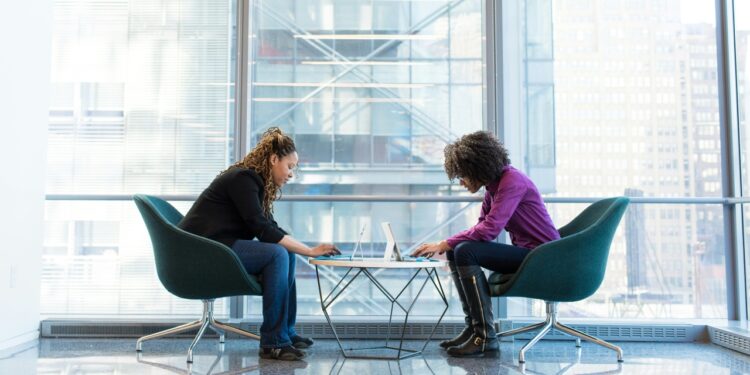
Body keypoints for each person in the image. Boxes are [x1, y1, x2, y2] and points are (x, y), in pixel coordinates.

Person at [179, 127, 340, 361]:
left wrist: (305, 249)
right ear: (274, 159)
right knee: (277, 254)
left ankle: (285, 333)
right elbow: (262, 230)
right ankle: (273, 342)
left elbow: (269, 227)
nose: (291, 174)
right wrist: (309, 251)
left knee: (284, 252)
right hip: (202, 251)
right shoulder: (243, 179)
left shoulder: (254, 182)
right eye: (290, 166)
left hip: (219, 246)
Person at [411, 131, 560, 357]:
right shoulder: (494, 187)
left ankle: (485, 336)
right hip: (529, 254)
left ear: (476, 168)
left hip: (543, 257)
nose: (460, 182)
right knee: (458, 251)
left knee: (464, 250)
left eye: (462, 176)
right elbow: (481, 225)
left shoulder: (512, 182)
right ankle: (474, 329)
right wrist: (447, 246)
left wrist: (443, 242)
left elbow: (490, 230)